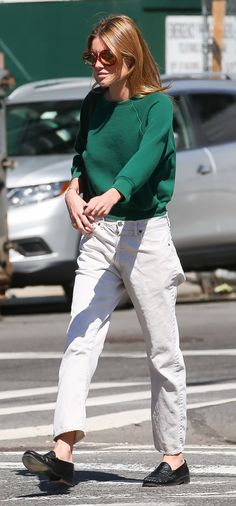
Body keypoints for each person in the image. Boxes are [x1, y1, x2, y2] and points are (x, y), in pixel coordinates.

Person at [22, 13, 190, 488]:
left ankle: (174, 457)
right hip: (97, 236)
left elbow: (148, 155)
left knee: (163, 351)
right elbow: (79, 158)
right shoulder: (93, 102)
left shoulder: (156, 106)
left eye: (105, 56)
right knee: (79, 338)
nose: (96, 64)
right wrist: (72, 192)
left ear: (129, 57)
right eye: (91, 55)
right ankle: (63, 451)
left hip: (145, 236)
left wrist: (115, 192)